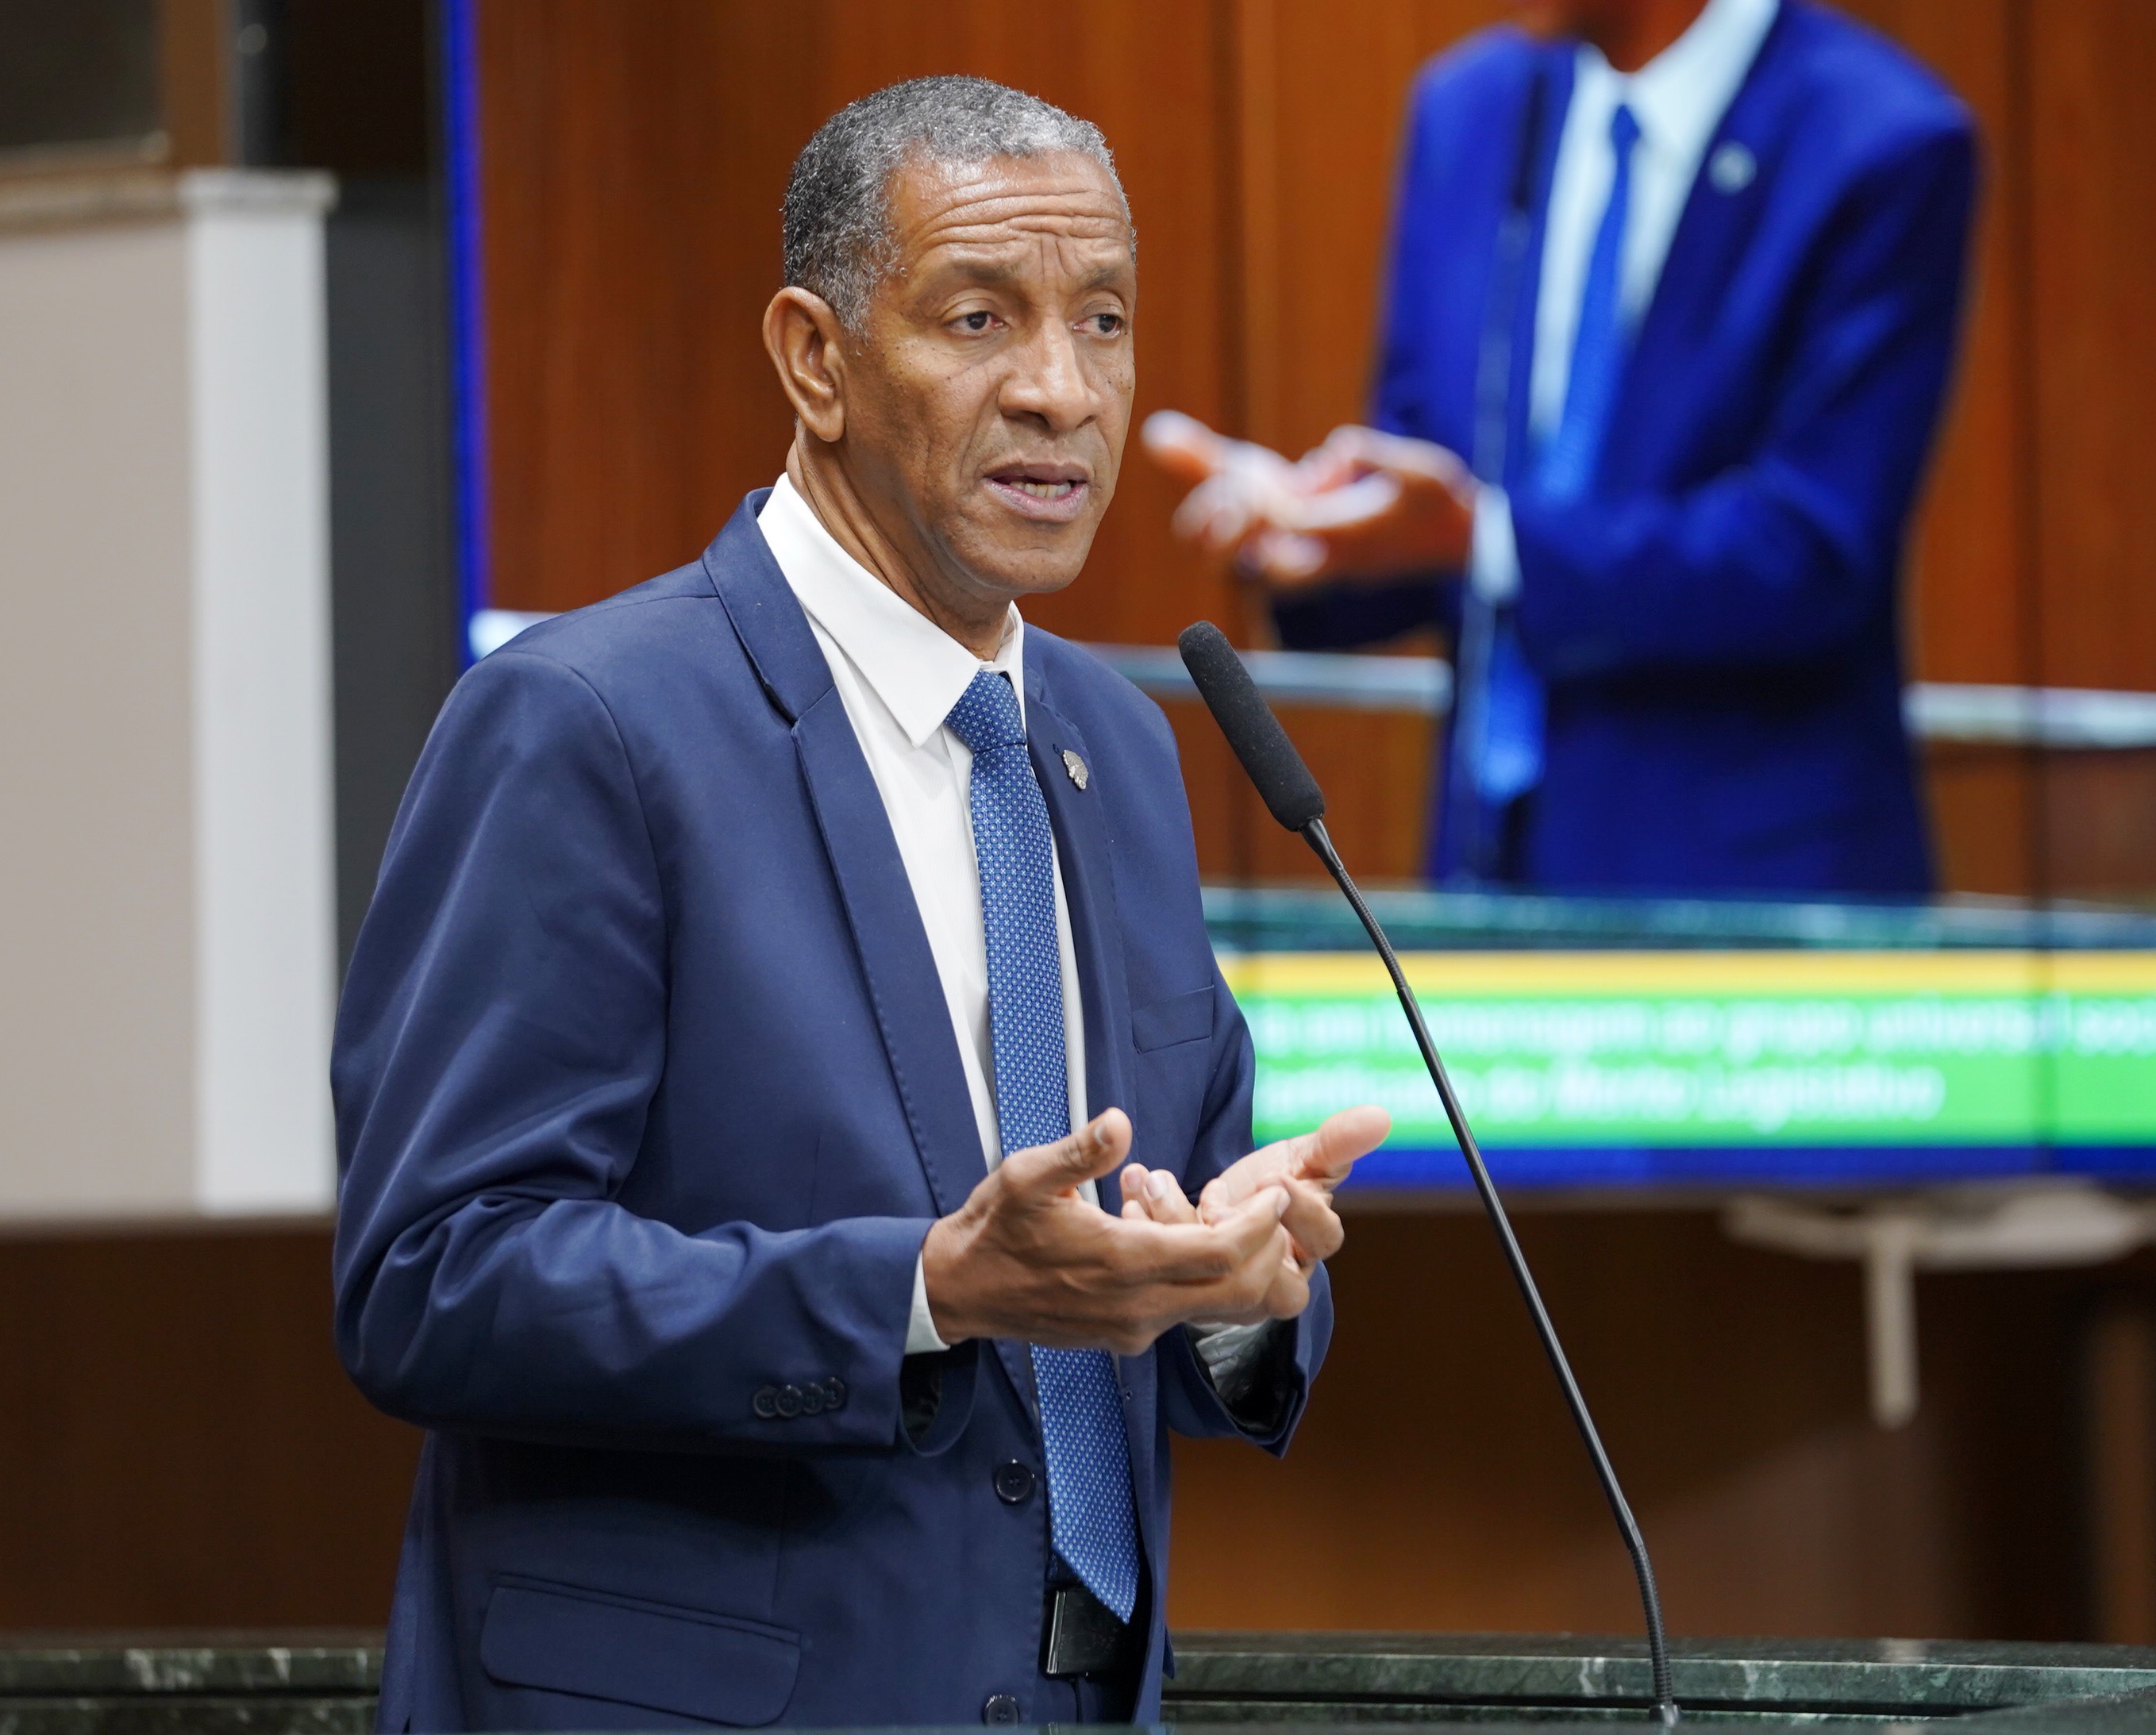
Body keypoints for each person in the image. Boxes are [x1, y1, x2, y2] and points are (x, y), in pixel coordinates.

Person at [331, 77, 1388, 1731]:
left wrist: (1233, 1289)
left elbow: (1148, 1230)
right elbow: (434, 1278)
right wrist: (924, 1289)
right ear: (814, 359)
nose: (1059, 390)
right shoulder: (588, 724)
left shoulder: (1120, 746)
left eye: (1103, 322)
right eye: (979, 318)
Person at [1151, 0, 1977, 896]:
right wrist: (1323, 529)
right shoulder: (1473, 106)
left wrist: (1486, 539)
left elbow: (1809, 551)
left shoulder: (1877, 138)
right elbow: (1430, 472)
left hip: (1745, 901)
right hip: (1486, 879)